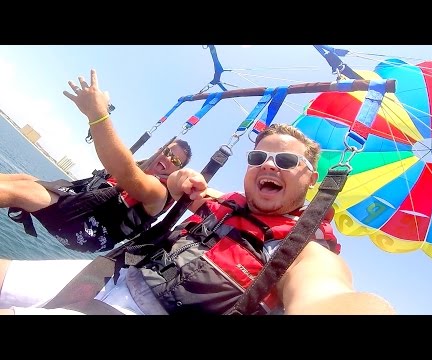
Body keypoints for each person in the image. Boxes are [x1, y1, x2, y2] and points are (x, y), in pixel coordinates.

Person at [0, 70, 396, 315]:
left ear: (311, 179)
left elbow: (324, 294)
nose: (270, 165)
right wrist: (178, 181)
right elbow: (163, 186)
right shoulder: (217, 201)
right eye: (260, 156)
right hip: (113, 273)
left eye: (287, 163)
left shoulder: (301, 250)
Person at [0, 71, 192, 253]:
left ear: (177, 170)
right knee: (22, 179)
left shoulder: (158, 192)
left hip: (88, 229)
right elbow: (117, 158)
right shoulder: (139, 167)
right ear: (159, 150)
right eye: (167, 151)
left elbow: (121, 167)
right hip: (80, 202)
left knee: (19, 192)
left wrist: (97, 113)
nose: (167, 158)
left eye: (175, 160)